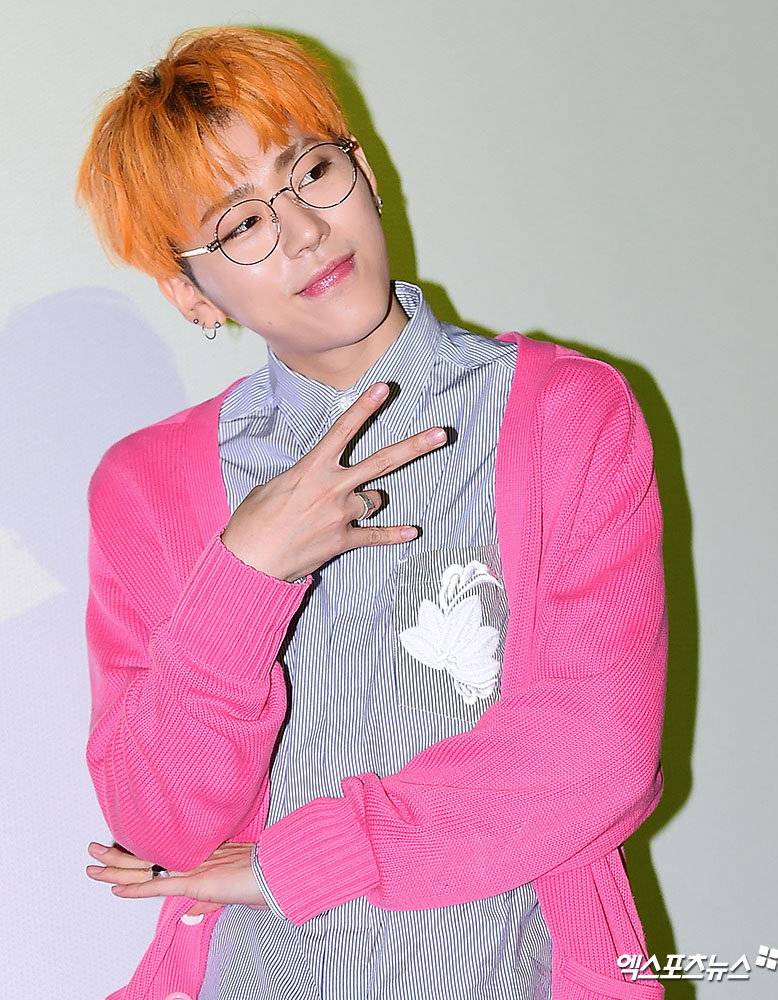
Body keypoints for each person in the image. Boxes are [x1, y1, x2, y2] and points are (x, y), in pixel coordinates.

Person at [78, 25, 668, 1000]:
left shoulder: (561, 414)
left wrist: (304, 861)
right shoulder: (147, 485)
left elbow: (596, 752)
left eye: (311, 171)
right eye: (241, 223)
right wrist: (244, 575)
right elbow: (158, 824)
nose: (305, 231)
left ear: (364, 172)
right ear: (191, 294)